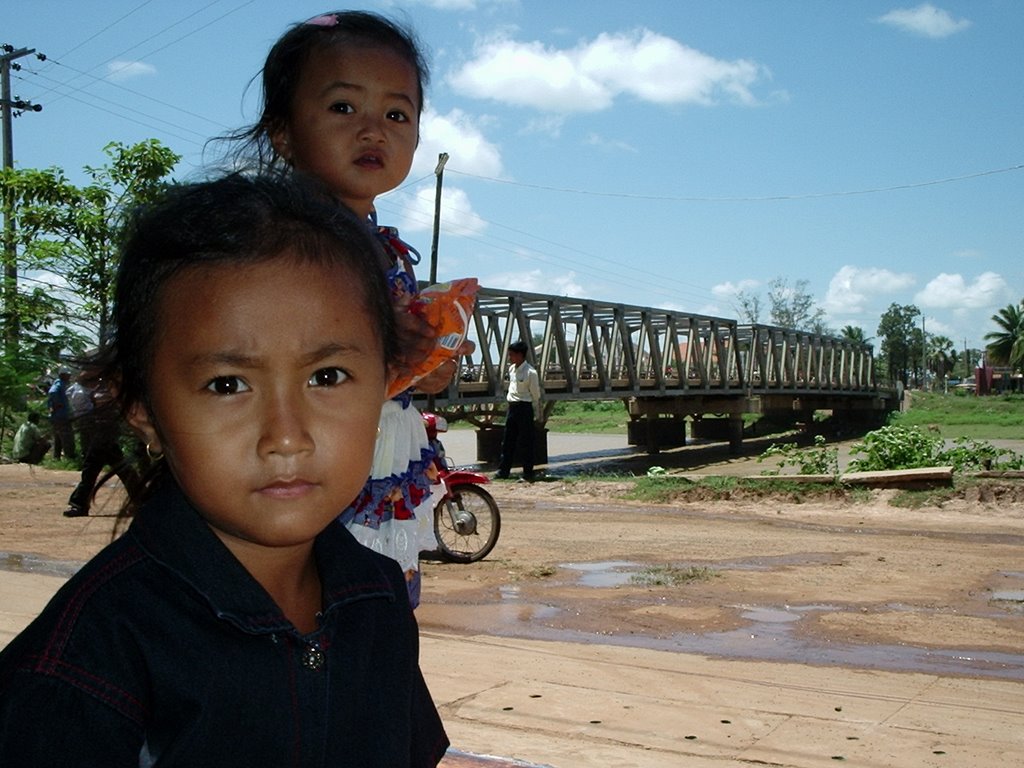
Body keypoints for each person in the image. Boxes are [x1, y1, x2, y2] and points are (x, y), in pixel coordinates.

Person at [0, 174, 449, 766]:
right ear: (144, 411)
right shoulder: (83, 668)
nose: (286, 435)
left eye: (328, 376)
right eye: (227, 384)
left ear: (384, 387)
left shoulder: (378, 598)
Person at [227, 10, 472, 608]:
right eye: (343, 108)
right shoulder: (279, 238)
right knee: (319, 609)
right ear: (283, 132)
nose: (373, 130)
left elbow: (382, 371)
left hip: (373, 457)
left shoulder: (380, 240)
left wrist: (424, 368)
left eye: (396, 114)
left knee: (374, 606)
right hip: (312, 460)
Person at [63, 384, 142, 518]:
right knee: (122, 469)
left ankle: (79, 504)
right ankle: (141, 500)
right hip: (103, 429)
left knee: (92, 467)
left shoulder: (113, 387)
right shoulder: (101, 386)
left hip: (107, 430)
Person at [496, 340, 542, 481]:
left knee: (526, 442)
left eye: (512, 355)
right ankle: (503, 472)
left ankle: (528, 473)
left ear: (520, 355)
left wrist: (537, 411)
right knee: (508, 441)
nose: (510, 358)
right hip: (513, 408)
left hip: (524, 408)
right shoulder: (511, 369)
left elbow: (536, 394)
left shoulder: (530, 372)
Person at [46, 368, 76, 460]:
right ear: (63, 375)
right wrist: (58, 404)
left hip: (58, 415)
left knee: (58, 437)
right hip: (61, 415)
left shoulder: (62, 384)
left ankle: (56, 457)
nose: (69, 376)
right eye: (68, 375)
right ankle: (70, 457)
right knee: (67, 436)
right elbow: (52, 392)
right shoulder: (59, 384)